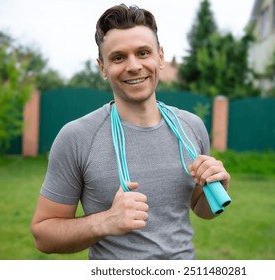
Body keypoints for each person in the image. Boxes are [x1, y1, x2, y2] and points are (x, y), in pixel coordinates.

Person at [31, 4, 230, 260]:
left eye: (143, 52)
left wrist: (218, 187)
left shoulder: (191, 127)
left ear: (160, 57)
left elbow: (200, 208)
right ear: (102, 67)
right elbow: (43, 235)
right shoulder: (77, 137)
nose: (134, 66)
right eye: (118, 57)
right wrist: (106, 222)